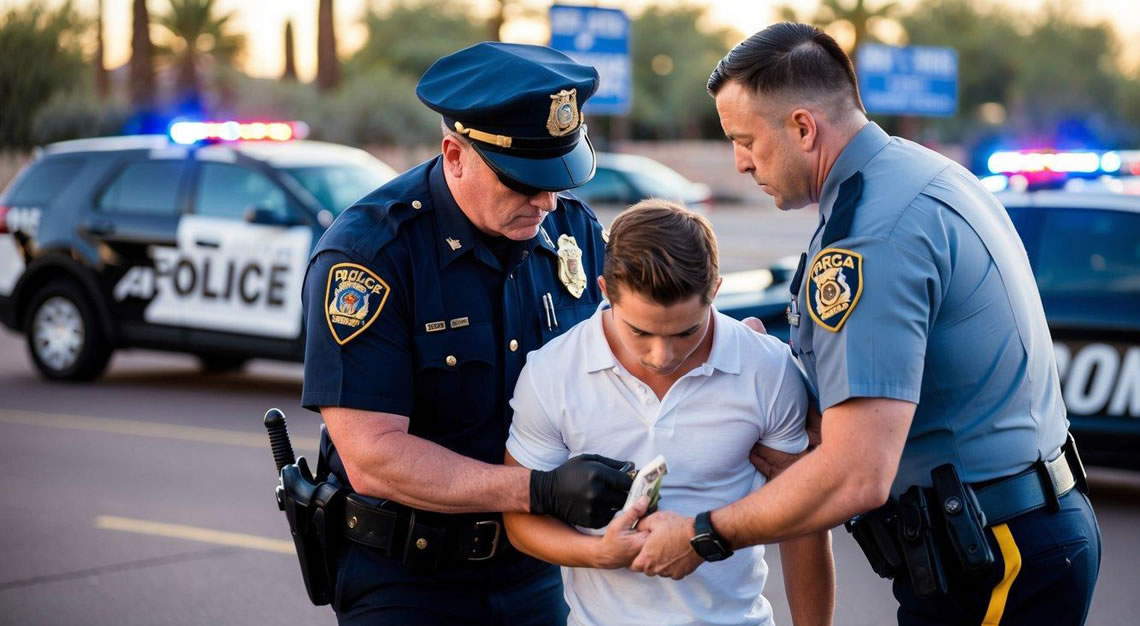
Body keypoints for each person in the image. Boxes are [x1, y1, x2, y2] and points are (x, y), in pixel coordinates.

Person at [631, 22, 1101, 626]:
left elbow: (857, 474)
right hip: (1020, 529)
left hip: (994, 559)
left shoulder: (873, 233)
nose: (740, 163)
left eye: (745, 139)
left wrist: (702, 534)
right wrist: (773, 359)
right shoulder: (911, 176)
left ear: (802, 127)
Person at [300, 42, 634, 624]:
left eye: (558, 177)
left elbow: (630, 352)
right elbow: (374, 457)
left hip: (539, 567)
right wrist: (537, 491)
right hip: (407, 576)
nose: (547, 201)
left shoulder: (571, 228)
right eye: (523, 181)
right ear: (455, 154)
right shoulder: (370, 257)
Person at [503, 201, 835, 626]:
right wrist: (597, 554)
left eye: (685, 332)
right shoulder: (551, 372)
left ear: (715, 290)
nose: (662, 355)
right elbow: (519, 516)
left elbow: (803, 520)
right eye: (639, 331)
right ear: (604, 291)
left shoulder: (767, 369)